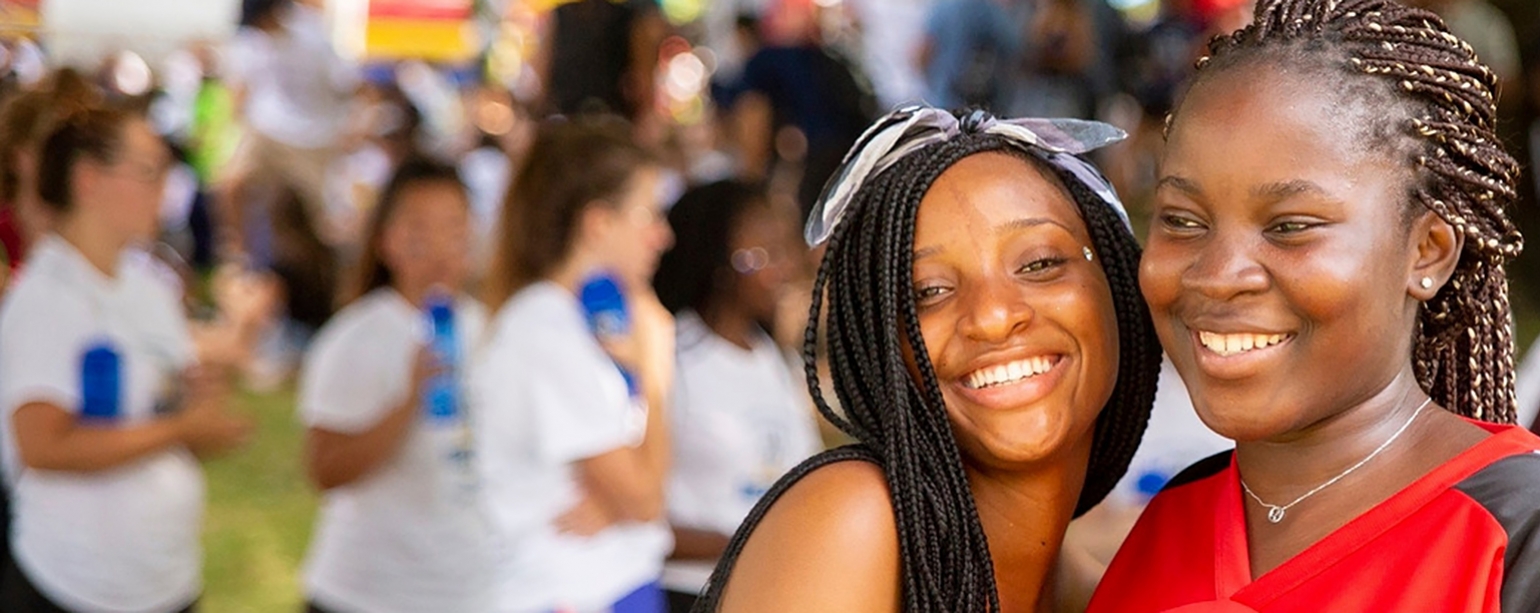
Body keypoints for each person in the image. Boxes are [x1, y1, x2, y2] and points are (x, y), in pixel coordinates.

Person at [1088, 1, 1540, 610]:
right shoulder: (1171, 519)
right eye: (1183, 221)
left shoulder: (1516, 529)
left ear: (1427, 252)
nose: (1220, 277)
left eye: (1291, 226)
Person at [693, 105, 1160, 610]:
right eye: (929, 290)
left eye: (1040, 263)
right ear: (882, 347)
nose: (994, 316)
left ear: (1116, 282)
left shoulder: (1093, 595)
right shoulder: (853, 523)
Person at [0, 106, 252, 612]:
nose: (165, 188)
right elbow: (43, 445)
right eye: (149, 170)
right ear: (89, 180)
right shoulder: (45, 298)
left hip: (161, 584)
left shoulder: (147, 288)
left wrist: (208, 389)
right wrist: (184, 429)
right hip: (72, 588)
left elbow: (169, 409)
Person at [473, 116, 676, 612]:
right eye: (648, 215)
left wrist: (621, 499)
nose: (662, 236)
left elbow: (629, 494)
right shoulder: (547, 332)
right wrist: (652, 372)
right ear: (598, 223)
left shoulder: (575, 323)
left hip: (596, 586)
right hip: (577, 593)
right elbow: (644, 500)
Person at [297, 158, 492, 613]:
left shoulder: (487, 328)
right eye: (420, 228)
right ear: (386, 239)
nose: (440, 245)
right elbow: (325, 470)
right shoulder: (354, 338)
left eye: (454, 227)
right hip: (367, 594)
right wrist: (408, 402)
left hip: (470, 593)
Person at [649, 180, 821, 611]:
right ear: (721, 261)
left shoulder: (772, 357)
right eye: (765, 253)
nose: (782, 269)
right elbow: (638, 515)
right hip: (689, 594)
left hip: (766, 588)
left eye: (784, 250)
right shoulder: (673, 357)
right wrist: (746, 541)